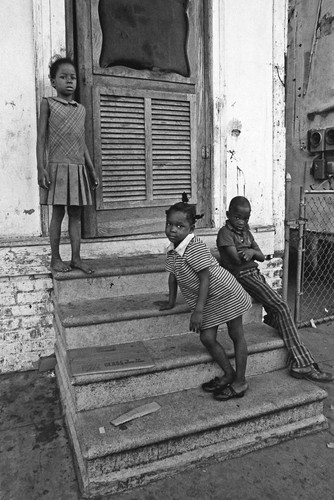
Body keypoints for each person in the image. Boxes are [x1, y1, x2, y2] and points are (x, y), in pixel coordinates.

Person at [217, 196, 333, 382]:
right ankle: (303, 363)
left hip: (254, 273)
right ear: (228, 214)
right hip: (241, 277)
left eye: (246, 218)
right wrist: (250, 252)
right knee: (281, 306)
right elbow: (237, 260)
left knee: (276, 311)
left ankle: (298, 359)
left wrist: (252, 252)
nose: (241, 222)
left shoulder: (246, 231)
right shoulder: (225, 233)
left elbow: (261, 256)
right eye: (237, 217)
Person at [155, 194, 253, 400]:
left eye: (180, 226)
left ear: (191, 229)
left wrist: (198, 311)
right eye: (169, 224)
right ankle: (229, 373)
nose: (173, 230)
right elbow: (173, 276)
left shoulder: (194, 247)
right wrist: (170, 301)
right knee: (207, 337)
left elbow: (206, 278)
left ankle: (240, 381)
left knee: (236, 334)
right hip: (209, 298)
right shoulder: (173, 250)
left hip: (225, 292)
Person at [36, 57, 99, 274]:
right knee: (58, 213)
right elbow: (41, 137)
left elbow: (82, 143)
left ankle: (76, 259)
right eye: (63, 77)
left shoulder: (80, 109)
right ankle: (55, 258)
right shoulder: (48, 103)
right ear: (53, 81)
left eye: (72, 77)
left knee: (76, 215)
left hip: (78, 168)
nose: (69, 81)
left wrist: (91, 169)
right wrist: (41, 167)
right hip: (57, 168)